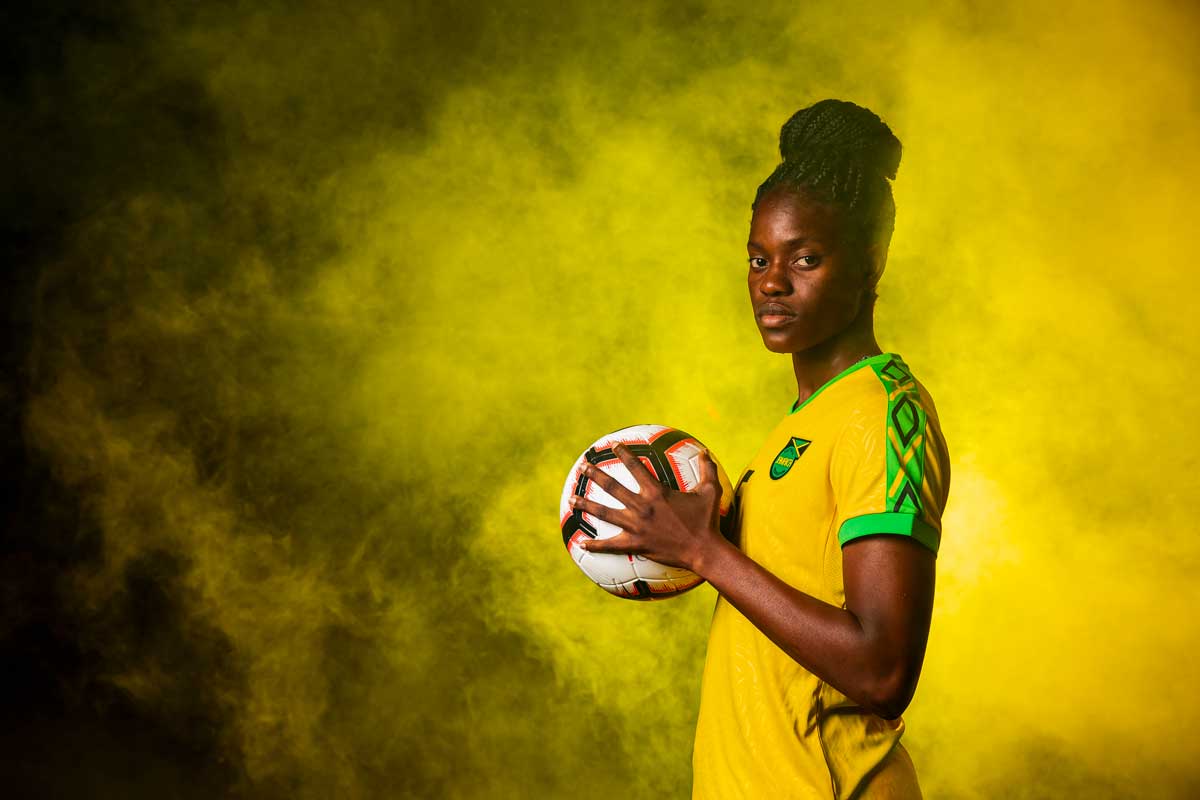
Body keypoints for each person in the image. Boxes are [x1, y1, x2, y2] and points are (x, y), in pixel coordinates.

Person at [568, 99, 951, 798]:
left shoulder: (885, 416)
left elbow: (883, 672)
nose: (772, 281)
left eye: (805, 258)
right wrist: (681, 538)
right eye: (758, 258)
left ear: (870, 264)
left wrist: (706, 554)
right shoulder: (804, 420)